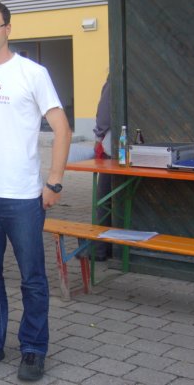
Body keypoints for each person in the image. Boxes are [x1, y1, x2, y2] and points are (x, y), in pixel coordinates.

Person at [0, 0, 72, 382]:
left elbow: (62, 129)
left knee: (32, 277)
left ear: (8, 28)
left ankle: (34, 349)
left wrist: (54, 181)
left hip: (22, 196)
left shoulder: (32, 73)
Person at [92, 75, 113, 261]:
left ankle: (100, 249)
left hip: (113, 152)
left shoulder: (114, 81)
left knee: (104, 200)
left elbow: (104, 116)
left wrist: (98, 137)